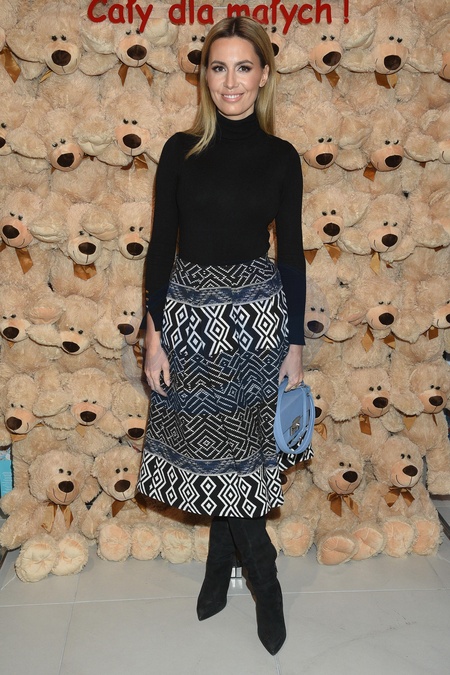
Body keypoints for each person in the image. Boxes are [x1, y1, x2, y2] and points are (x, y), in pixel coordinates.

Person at [137, 16, 310, 655]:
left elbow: (292, 255)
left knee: (242, 454)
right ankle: (238, 569)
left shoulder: (282, 157)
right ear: (204, 76)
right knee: (211, 451)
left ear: (263, 75)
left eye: (243, 67)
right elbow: (161, 246)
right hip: (188, 319)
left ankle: (257, 579)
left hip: (258, 324)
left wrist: (296, 344)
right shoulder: (180, 150)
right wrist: (153, 332)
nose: (230, 81)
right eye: (218, 67)